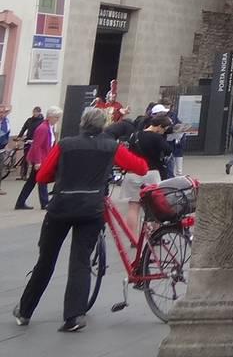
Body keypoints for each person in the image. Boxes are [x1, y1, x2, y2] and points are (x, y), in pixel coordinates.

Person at [11, 106, 150, 333]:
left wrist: (62, 174)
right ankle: (74, 316)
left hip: (61, 207)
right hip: (91, 209)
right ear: (103, 126)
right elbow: (141, 168)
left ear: (82, 123)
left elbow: (43, 176)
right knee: (81, 261)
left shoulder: (66, 144)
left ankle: (25, 310)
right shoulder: (110, 146)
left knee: (46, 260)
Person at [15, 107, 61, 209]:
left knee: (32, 181)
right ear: (50, 117)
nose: (57, 120)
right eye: (56, 117)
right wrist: (37, 161)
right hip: (40, 159)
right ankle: (44, 203)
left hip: (44, 158)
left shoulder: (49, 127)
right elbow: (37, 146)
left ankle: (21, 202)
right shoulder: (43, 128)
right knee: (42, 180)